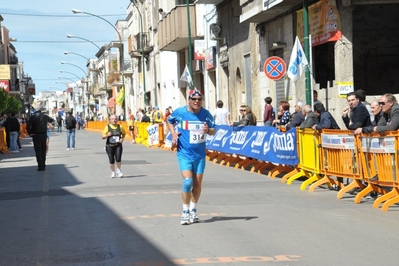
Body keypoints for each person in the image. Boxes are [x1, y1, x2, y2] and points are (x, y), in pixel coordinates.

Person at [167, 89, 215, 225]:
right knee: (188, 182)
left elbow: (214, 130)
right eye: (193, 99)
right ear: (188, 100)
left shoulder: (206, 114)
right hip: (184, 154)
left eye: (199, 99)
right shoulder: (180, 112)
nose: (196, 101)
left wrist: (208, 130)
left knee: (197, 185)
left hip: (199, 155)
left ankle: (193, 209)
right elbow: (169, 121)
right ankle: (185, 211)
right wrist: (173, 133)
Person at [26, 104, 54, 171]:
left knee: (38, 150)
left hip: (35, 135)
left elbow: (28, 126)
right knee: (43, 150)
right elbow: (52, 120)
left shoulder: (33, 117)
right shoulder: (45, 117)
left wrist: (30, 133)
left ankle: (40, 166)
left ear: (35, 109)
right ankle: (43, 164)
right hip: (43, 134)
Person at [102, 114, 126, 178]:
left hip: (118, 145)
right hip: (109, 146)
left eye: (115, 119)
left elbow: (124, 133)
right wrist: (107, 135)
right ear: (110, 120)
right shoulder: (107, 127)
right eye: (112, 119)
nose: (114, 120)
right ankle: (113, 171)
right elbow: (103, 136)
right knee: (111, 160)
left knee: (118, 159)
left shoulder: (120, 127)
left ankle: (119, 170)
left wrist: (122, 139)